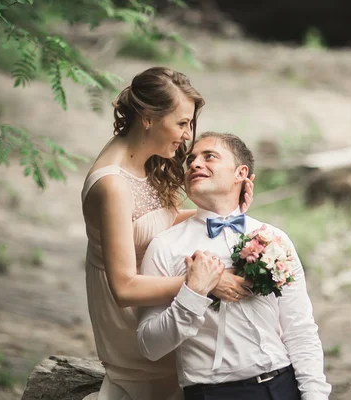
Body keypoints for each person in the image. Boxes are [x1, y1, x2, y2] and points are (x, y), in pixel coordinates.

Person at [81, 68, 255, 400]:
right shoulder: (113, 185)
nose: (187, 135)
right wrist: (204, 283)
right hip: (129, 319)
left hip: (160, 291)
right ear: (147, 117)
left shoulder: (144, 157)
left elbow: (163, 220)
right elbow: (123, 288)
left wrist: (227, 208)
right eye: (181, 123)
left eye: (189, 123)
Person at [137, 132, 332, 400]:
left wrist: (315, 395)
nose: (194, 164)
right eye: (191, 159)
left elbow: (300, 328)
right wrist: (193, 293)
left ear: (240, 173)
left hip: (285, 385)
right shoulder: (165, 246)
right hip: (216, 392)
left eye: (209, 157)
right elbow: (149, 346)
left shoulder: (273, 238)